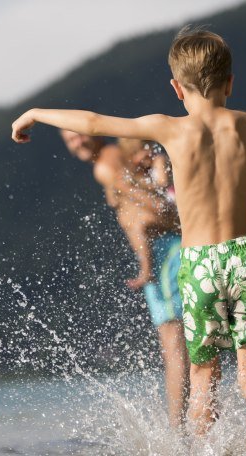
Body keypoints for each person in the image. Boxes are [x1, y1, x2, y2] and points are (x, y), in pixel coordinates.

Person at [12, 28, 246, 453]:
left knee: (204, 374)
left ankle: (195, 447)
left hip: (199, 265)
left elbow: (95, 123)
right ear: (230, 83)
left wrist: (36, 113)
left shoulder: (167, 129)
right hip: (245, 257)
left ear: (176, 88)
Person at [60, 130, 189, 427]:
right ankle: (199, 423)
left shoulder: (105, 166)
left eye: (78, 135)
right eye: (69, 141)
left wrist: (149, 261)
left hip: (164, 253)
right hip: (167, 248)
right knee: (187, 343)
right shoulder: (118, 156)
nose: (76, 143)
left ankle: (179, 433)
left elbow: (151, 207)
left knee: (174, 347)